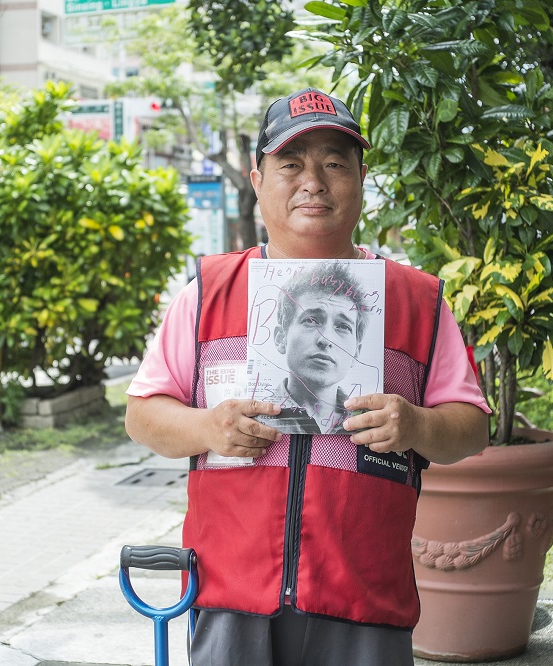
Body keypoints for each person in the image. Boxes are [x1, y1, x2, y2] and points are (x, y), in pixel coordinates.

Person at [125, 88, 490, 665]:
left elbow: (471, 428)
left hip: (364, 596)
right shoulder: (207, 294)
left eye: (335, 164)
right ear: (257, 179)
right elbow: (143, 413)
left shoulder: (415, 300)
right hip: (231, 593)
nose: (313, 182)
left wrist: (416, 424)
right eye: (291, 164)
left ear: (362, 179)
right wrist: (207, 428)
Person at [259, 260, 374, 435]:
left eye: (343, 326)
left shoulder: (373, 422)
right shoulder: (253, 416)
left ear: (356, 352)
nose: (326, 339)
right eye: (311, 320)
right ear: (281, 338)